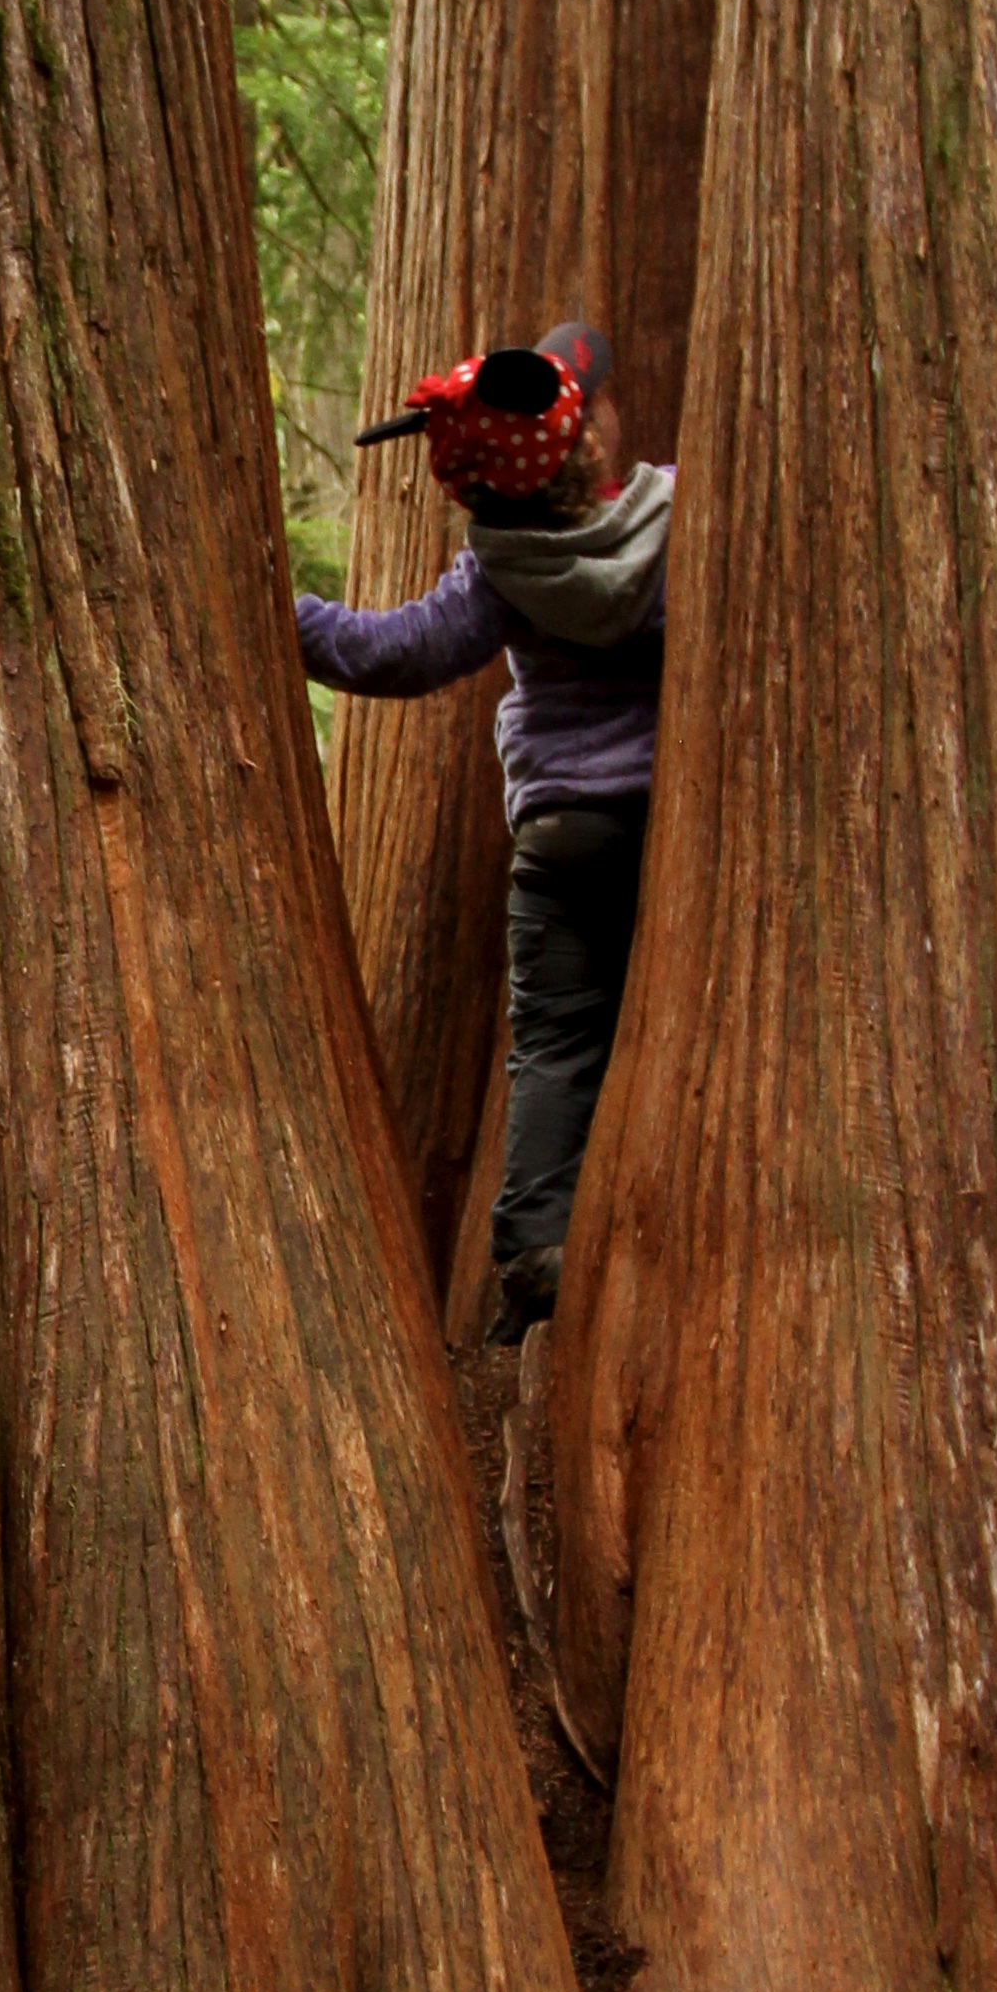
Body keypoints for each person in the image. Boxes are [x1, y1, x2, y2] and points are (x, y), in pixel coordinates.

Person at [297, 319, 670, 1339]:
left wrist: (286, 616)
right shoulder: (675, 522)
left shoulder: (502, 568)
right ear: (591, 431)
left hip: (560, 838)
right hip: (667, 838)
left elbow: (397, 653)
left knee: (556, 1040)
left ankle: (536, 1248)